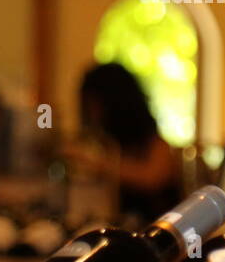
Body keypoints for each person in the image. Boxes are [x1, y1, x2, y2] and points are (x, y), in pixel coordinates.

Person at [65, 63, 182, 224]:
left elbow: (152, 178)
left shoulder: (154, 143)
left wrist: (98, 164)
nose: (92, 113)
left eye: (95, 105)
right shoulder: (106, 142)